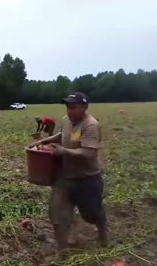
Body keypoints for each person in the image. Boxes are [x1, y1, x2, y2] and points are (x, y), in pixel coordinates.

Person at [30, 92, 107, 259]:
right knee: (57, 214)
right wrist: (43, 141)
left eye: (74, 107)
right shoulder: (66, 120)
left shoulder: (90, 125)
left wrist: (64, 151)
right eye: (68, 107)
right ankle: (62, 252)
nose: (70, 111)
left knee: (91, 214)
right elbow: (62, 135)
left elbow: (89, 153)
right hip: (65, 178)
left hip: (87, 180)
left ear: (85, 107)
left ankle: (102, 228)